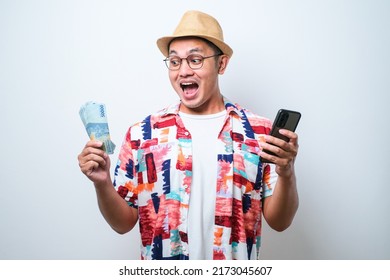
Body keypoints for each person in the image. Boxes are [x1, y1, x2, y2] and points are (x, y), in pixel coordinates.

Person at [78, 10, 299, 260]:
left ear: (222, 63)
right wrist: (102, 182)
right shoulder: (142, 133)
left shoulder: (258, 132)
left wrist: (287, 173)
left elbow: (280, 222)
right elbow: (122, 223)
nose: (183, 71)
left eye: (195, 60)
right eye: (174, 61)